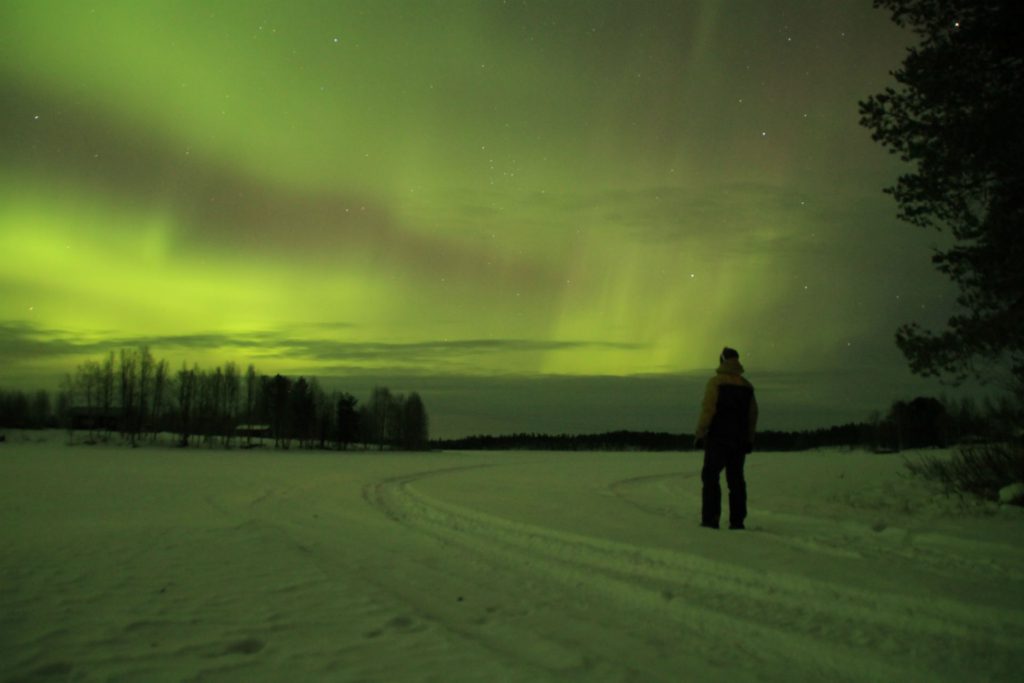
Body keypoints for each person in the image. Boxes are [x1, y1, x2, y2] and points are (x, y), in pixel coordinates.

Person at [693, 347, 758, 530]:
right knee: (736, 480)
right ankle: (737, 521)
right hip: (739, 441)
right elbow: (753, 415)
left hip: (718, 439)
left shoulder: (715, 383)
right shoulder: (747, 386)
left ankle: (711, 519)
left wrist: (700, 434)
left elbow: (708, 410)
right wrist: (749, 439)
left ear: (722, 361)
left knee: (711, 477)